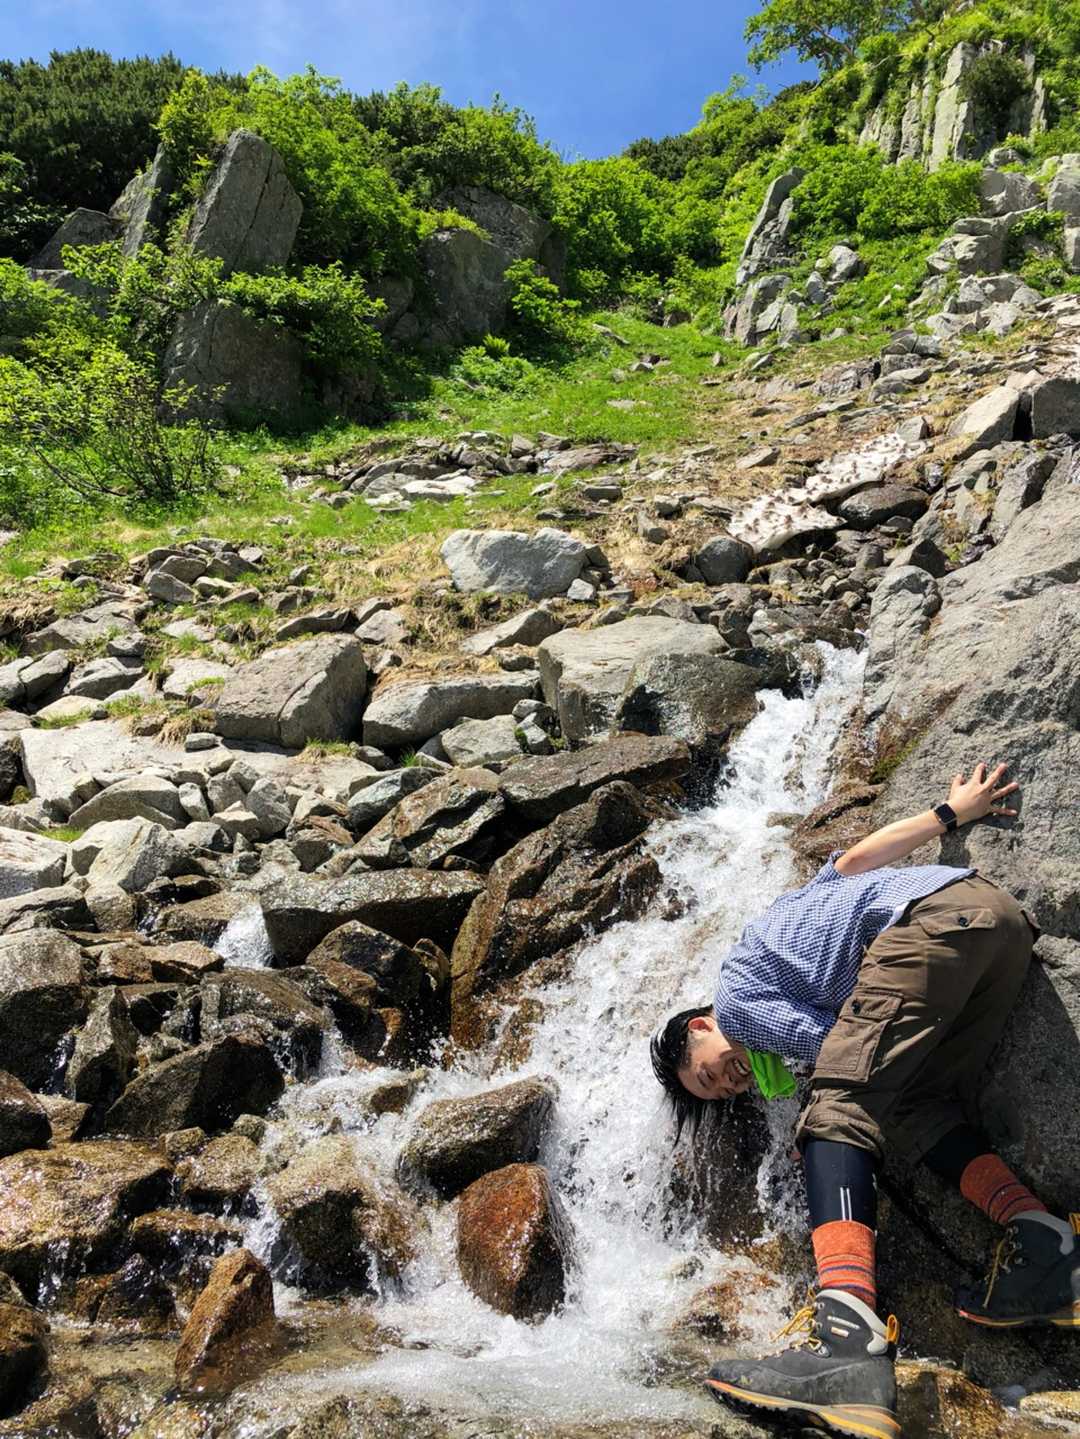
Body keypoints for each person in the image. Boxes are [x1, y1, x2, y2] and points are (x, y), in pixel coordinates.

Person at [651, 763, 1079, 1439]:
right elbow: (856, 859)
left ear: (701, 1026)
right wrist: (950, 813)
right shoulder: (790, 918)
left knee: (837, 1109)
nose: (729, 1082)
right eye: (724, 1091)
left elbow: (842, 1052)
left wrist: (819, 1123)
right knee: (916, 1107)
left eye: (707, 1075)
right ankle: (1048, 1245)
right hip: (995, 927)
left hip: (928, 929)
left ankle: (845, 1342)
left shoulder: (735, 1000)